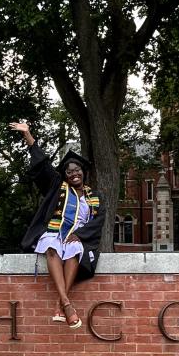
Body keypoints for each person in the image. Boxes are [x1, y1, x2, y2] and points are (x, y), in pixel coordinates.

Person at [10, 121, 104, 329]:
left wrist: (80, 234)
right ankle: (66, 304)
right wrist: (28, 136)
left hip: (79, 236)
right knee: (51, 246)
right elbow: (43, 165)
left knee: (72, 250)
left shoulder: (93, 196)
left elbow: (98, 222)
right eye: (69, 171)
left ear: (83, 171)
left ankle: (60, 303)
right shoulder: (57, 186)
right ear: (65, 175)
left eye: (77, 169)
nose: (73, 174)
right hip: (54, 231)